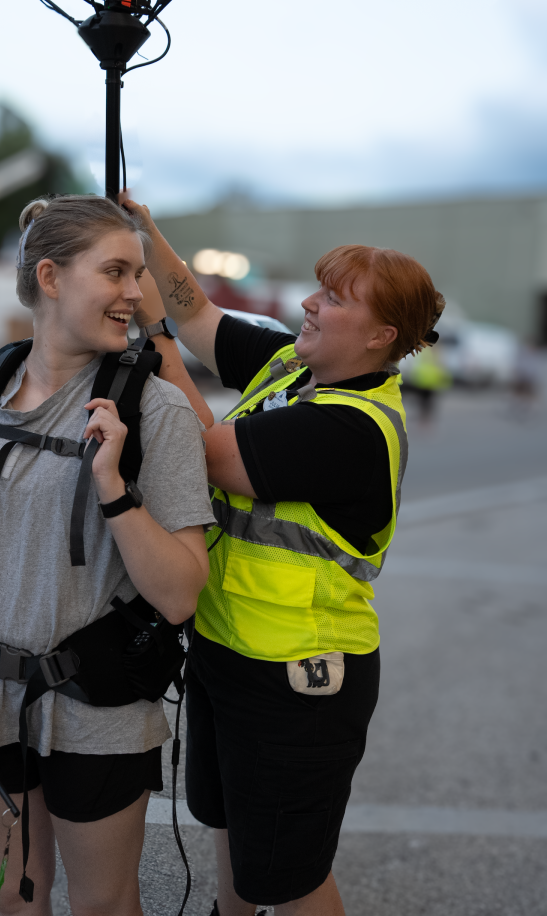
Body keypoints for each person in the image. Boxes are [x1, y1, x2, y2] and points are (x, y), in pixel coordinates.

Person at [122, 200, 445, 916]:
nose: (308, 302)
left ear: (380, 336)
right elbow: (198, 315)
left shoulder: (350, 427)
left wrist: (151, 335)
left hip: (297, 682)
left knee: (290, 878)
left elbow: (199, 451)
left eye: (332, 298)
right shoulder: (288, 367)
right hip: (226, 649)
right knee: (232, 826)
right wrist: (145, 236)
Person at [0, 195, 215, 916]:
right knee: (14, 895)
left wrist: (113, 487)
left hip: (99, 708)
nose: (136, 294)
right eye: (115, 272)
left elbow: (180, 595)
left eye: (138, 274)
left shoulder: (155, 410)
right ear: (50, 277)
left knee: (102, 906)